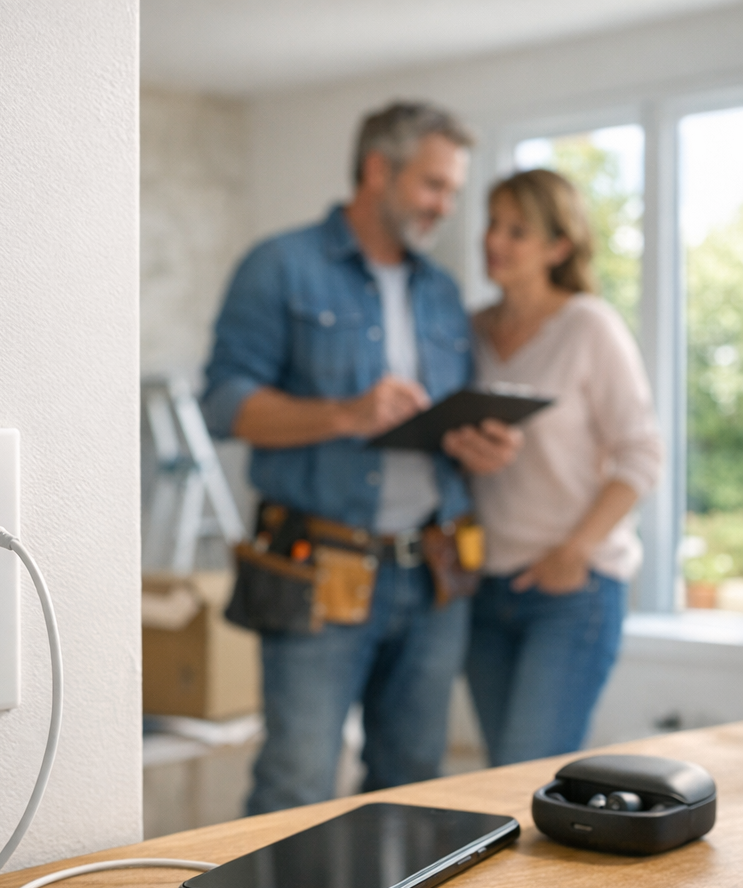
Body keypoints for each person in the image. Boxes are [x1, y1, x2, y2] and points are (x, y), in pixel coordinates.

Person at [201, 101, 520, 814]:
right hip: (319, 567)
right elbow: (224, 405)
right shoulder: (279, 266)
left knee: (413, 786)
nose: (446, 207)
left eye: (452, 191)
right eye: (434, 186)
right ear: (379, 170)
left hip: (434, 573)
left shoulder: (440, 292)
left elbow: (441, 416)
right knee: (298, 781)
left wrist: (477, 443)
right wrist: (344, 413)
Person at [459, 168, 662, 766]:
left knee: (528, 773)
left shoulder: (589, 325)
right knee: (498, 778)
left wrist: (575, 549)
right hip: (483, 588)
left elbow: (642, 453)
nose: (495, 240)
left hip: (571, 591)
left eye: (517, 230)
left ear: (558, 247)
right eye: (492, 223)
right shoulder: (470, 331)